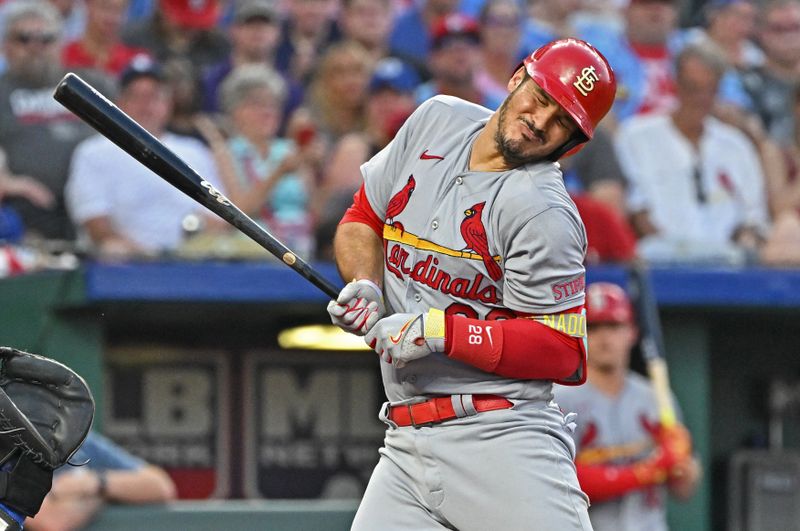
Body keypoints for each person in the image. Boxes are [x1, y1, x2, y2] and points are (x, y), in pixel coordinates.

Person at [327, 38, 616, 530]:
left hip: (501, 438)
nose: (541, 122)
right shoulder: (436, 119)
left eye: (562, 121)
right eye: (541, 98)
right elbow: (362, 217)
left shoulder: (543, 209)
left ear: (574, 141)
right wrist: (365, 283)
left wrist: (440, 331)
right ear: (515, 78)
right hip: (404, 440)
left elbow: (564, 350)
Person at [553, 282, 702, 531]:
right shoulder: (560, 399)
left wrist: (682, 466)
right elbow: (564, 482)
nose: (604, 337)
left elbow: (684, 490)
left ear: (631, 332)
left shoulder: (657, 398)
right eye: (594, 327)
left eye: (613, 325)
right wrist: (651, 470)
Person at [616, 40, 770, 263]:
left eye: (710, 90)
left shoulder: (736, 145)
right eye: (693, 89)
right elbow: (635, 209)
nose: (701, 99)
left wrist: (746, 242)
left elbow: (753, 216)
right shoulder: (635, 136)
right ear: (675, 84)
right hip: (661, 262)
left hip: (728, 265)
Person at [65, 55, 224, 259]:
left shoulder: (193, 151)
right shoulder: (94, 152)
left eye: (154, 97)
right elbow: (96, 225)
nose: (145, 105)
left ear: (168, 104)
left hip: (189, 260)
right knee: (112, 249)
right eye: (136, 97)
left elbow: (219, 218)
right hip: (126, 262)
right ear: (120, 102)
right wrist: (147, 256)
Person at [0, 1, 103, 242]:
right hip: (26, 207)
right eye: (24, 38)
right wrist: (11, 183)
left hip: (95, 202)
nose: (36, 46)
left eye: (46, 38)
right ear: (5, 46)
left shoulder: (91, 84)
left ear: (60, 43)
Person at [314, 56, 420, 260]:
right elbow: (334, 221)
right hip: (357, 253)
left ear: (412, 102)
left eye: (396, 96)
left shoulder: (426, 150)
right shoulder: (355, 148)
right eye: (379, 97)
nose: (386, 105)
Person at [25, 431, 177, 531]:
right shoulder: (7, 446)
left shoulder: (73, 436)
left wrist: (96, 483)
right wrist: (104, 495)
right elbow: (54, 522)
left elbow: (161, 486)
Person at [61, 0, 148, 76]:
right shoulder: (65, 55)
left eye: (119, 10)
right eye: (105, 8)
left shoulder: (135, 61)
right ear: (88, 6)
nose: (112, 17)